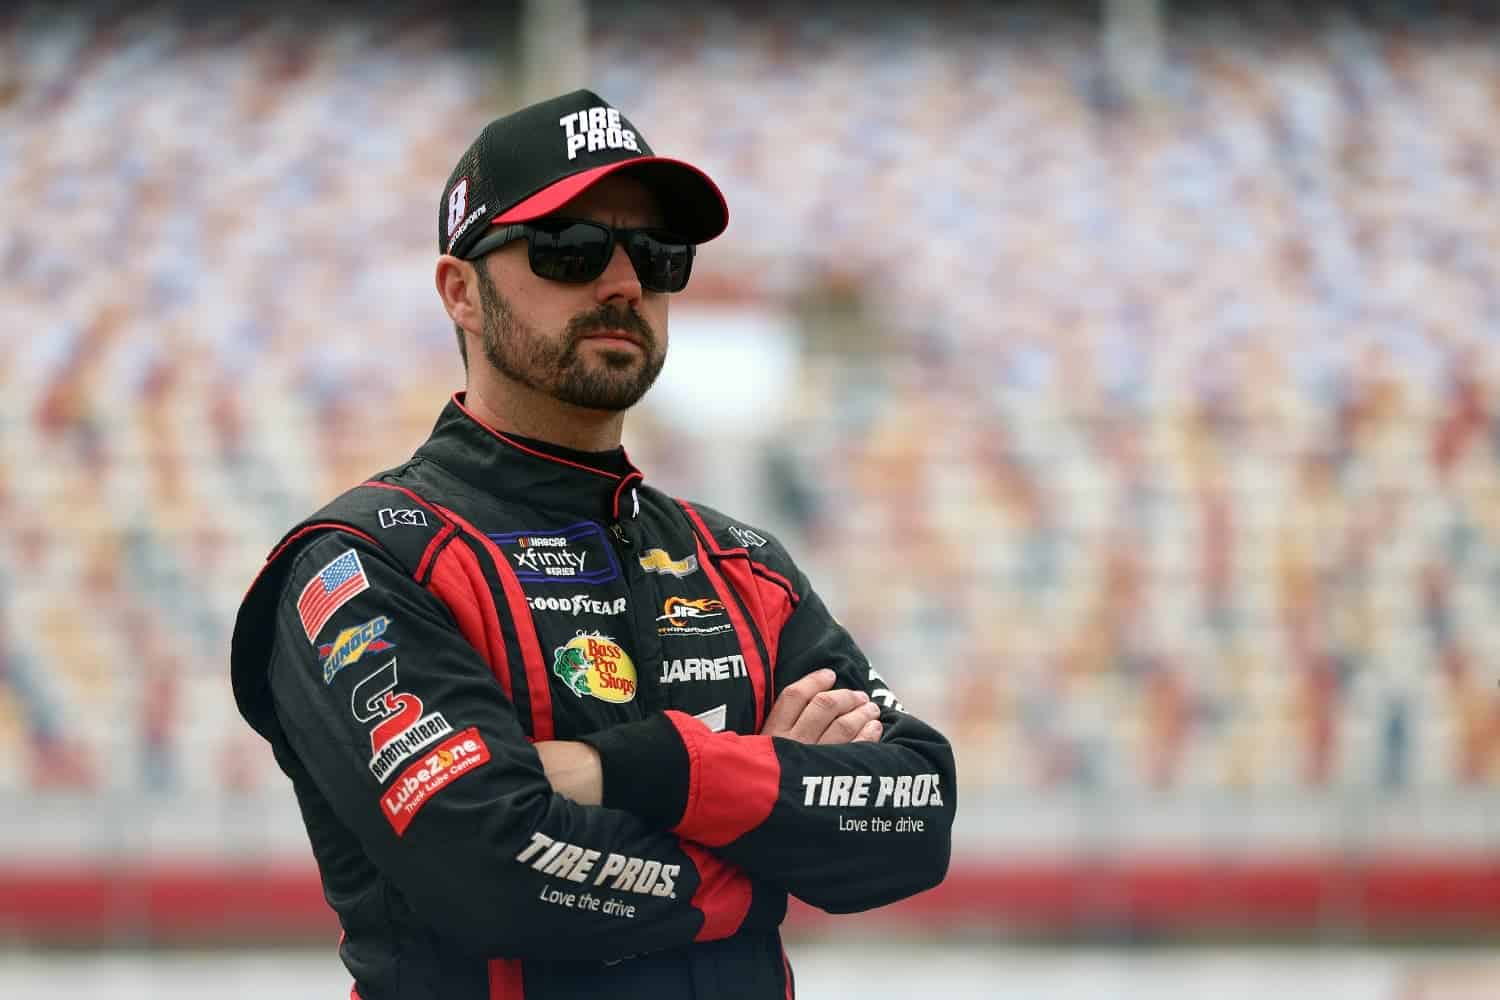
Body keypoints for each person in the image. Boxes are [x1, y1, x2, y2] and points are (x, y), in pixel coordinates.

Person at [230, 89, 955, 1000]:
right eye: (568, 248)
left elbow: (917, 814)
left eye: (657, 256)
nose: (623, 284)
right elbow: (491, 870)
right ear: (460, 290)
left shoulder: (740, 561)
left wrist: (641, 769)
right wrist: (766, 835)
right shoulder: (363, 562)